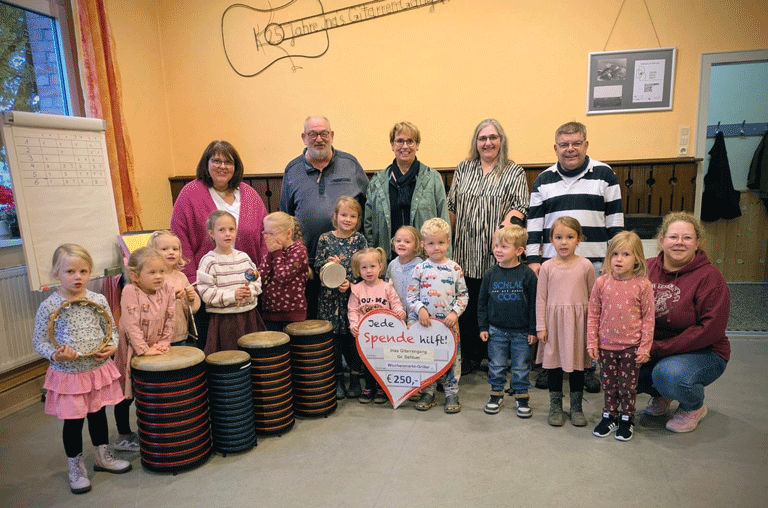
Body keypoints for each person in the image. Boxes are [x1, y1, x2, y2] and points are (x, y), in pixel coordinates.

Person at [527, 121, 624, 393]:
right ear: (555, 148)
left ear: (586, 145)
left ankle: (587, 366)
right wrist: (534, 260)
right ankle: (550, 365)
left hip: (594, 262)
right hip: (552, 263)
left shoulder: (605, 175)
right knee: (553, 315)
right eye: (564, 145)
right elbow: (535, 223)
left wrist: (614, 260)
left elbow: (615, 220)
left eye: (576, 143)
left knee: (587, 318)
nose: (570, 149)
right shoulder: (543, 180)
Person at [33, 244, 130, 494]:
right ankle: (75, 467)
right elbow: (40, 341)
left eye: (84, 271)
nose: (78, 277)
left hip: (96, 369)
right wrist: (55, 353)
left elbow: (111, 329)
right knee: (73, 423)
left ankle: (102, 457)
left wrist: (111, 347)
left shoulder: (97, 300)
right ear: (56, 274)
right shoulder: (49, 306)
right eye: (70, 272)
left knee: (98, 415)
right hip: (69, 375)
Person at [448, 119, 529, 375]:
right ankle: (471, 356)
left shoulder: (513, 171)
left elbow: (519, 209)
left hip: (497, 253)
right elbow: (452, 207)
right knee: (469, 305)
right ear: (476, 142)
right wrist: (442, 243)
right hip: (464, 250)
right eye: (482, 138)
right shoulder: (464, 169)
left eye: (493, 137)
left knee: (495, 304)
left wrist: (502, 235)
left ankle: (496, 357)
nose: (488, 143)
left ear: (501, 141)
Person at [171, 140, 268, 350]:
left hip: (246, 296)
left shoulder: (250, 195)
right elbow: (180, 241)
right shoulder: (190, 194)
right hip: (211, 297)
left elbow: (264, 237)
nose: (222, 166)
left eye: (228, 162)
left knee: (250, 349)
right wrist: (191, 284)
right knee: (220, 352)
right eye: (216, 160)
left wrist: (260, 275)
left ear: (236, 167)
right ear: (206, 163)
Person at [638, 211, 730, 433]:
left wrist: (659, 349)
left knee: (668, 375)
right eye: (673, 237)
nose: (679, 242)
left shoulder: (710, 278)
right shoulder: (644, 268)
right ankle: (661, 394)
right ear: (661, 241)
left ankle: (693, 406)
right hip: (655, 348)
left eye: (687, 238)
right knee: (617, 364)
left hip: (703, 351)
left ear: (697, 242)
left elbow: (709, 331)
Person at [280, 116, 369, 318]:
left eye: (324, 133)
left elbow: (368, 208)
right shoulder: (292, 169)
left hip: (346, 265)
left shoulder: (350, 164)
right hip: (306, 263)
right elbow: (286, 214)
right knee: (311, 321)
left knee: (349, 320)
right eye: (312, 134)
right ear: (304, 137)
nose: (319, 139)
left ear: (332, 136)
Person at [587, 231, 655, 441]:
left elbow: (648, 319)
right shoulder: (601, 283)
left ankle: (627, 418)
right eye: (615, 253)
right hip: (606, 347)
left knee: (627, 387)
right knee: (608, 385)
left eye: (626, 254)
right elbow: (593, 314)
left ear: (637, 258)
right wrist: (592, 341)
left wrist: (644, 347)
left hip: (631, 348)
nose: (619, 259)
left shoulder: (643, 285)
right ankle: (609, 416)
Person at [536, 217, 596, 427]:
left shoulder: (586, 265)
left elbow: (593, 298)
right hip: (553, 326)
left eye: (570, 237)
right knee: (554, 367)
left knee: (577, 367)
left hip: (578, 325)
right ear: (551, 239)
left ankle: (577, 407)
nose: (564, 242)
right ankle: (555, 406)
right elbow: (541, 298)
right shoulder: (547, 267)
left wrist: (592, 329)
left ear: (578, 239)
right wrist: (541, 326)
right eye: (559, 237)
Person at [114, 247, 175, 451]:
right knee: (126, 392)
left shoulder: (167, 288)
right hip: (132, 348)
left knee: (150, 391)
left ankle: (153, 429)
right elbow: (131, 324)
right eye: (152, 272)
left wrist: (165, 341)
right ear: (135, 276)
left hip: (156, 346)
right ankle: (124, 434)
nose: (159, 276)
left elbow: (170, 316)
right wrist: (142, 349)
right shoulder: (130, 291)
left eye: (161, 271)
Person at [407, 218, 468, 413]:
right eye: (431, 243)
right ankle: (428, 390)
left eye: (441, 242)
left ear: (448, 242)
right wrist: (420, 309)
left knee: (451, 357)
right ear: (423, 245)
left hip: (449, 326)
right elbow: (411, 295)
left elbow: (463, 295)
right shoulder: (420, 269)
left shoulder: (454, 268)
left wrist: (454, 312)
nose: (436, 247)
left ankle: (451, 391)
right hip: (425, 326)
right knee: (427, 357)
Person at [365, 121, 449, 260]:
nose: (405, 146)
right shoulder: (377, 181)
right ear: (392, 145)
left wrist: (444, 261)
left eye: (410, 141)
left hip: (425, 260)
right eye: (399, 141)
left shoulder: (433, 178)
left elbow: (443, 221)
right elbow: (368, 224)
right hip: (388, 260)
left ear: (417, 145)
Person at [478, 225, 537, 418]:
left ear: (519, 251)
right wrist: (483, 326)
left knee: (521, 366)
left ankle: (522, 397)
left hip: (521, 332)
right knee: (496, 365)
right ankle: (496, 394)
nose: (497, 250)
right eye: (496, 245)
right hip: (496, 331)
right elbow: (482, 302)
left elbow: (534, 304)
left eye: (504, 246)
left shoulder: (527, 274)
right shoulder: (490, 274)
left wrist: (532, 330)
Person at [314, 196, 368, 399]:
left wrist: (351, 282)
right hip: (329, 299)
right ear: (335, 216)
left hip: (352, 298)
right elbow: (317, 266)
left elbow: (363, 266)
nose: (348, 219)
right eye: (344, 215)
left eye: (353, 216)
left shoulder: (359, 239)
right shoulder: (325, 239)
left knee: (352, 338)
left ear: (358, 219)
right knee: (334, 340)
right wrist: (329, 265)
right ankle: (337, 379)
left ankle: (354, 378)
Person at [197, 210, 264, 354]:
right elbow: (206, 293)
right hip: (224, 321)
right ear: (211, 233)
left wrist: (250, 291)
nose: (227, 234)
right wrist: (233, 296)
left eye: (231, 229)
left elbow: (257, 281)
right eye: (221, 230)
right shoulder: (209, 261)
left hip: (249, 316)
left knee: (254, 355)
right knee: (230, 358)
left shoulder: (244, 257)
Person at [348, 247, 406, 404]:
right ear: (358, 270)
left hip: (384, 334)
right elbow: (353, 310)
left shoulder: (387, 287)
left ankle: (382, 387)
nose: (368, 271)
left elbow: (395, 303)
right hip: (365, 336)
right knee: (368, 362)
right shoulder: (357, 289)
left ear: (380, 266)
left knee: (383, 361)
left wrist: (400, 312)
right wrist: (354, 324)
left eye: (372, 266)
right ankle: (369, 386)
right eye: (364, 267)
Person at [147, 230, 200, 346]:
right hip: (156, 338)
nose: (171, 252)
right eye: (164, 249)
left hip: (180, 335)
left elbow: (192, 308)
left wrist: (190, 298)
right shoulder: (150, 278)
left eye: (175, 249)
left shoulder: (181, 276)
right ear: (152, 252)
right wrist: (169, 296)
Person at [258, 212, 309, 332]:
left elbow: (283, 276)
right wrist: (271, 254)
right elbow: (261, 279)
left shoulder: (299, 250)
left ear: (289, 233)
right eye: (265, 233)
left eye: (272, 234)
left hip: (292, 314)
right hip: (269, 313)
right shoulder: (272, 251)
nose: (267, 237)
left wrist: (276, 253)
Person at [385, 225, 423, 319]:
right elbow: (387, 287)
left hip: (416, 314)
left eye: (407, 242)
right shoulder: (392, 265)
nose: (401, 244)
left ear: (416, 246)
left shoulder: (421, 266)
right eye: (398, 241)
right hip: (396, 313)